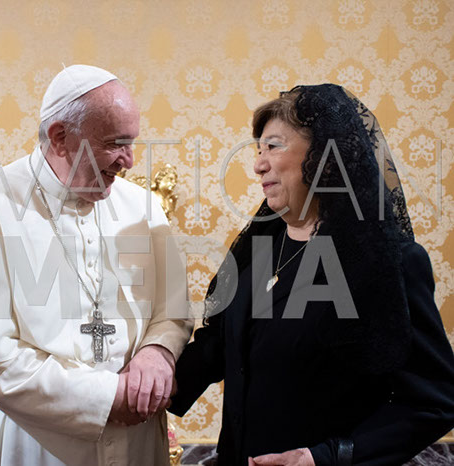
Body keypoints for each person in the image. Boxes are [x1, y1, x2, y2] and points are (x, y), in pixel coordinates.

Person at [0, 64, 192, 465]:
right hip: (29, 443)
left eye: (131, 143)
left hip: (136, 441)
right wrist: (104, 397)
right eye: (115, 144)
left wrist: (157, 352)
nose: (129, 161)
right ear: (61, 137)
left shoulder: (142, 207)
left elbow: (173, 312)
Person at [169, 84, 454, 465]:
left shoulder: (388, 262)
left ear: (325, 158)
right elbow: (220, 344)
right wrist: (152, 382)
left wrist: (325, 458)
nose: (258, 165)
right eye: (258, 151)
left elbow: (434, 401)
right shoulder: (259, 250)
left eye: (273, 147)